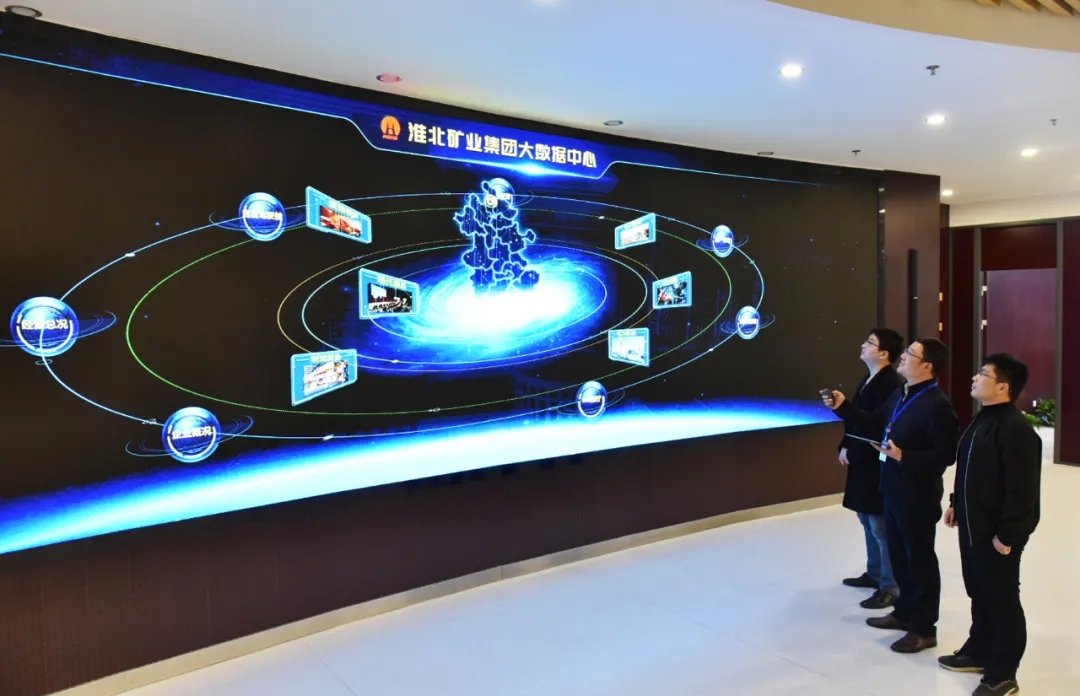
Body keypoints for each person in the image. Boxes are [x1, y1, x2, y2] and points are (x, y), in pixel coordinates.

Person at [823, 338, 959, 653]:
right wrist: (844, 407)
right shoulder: (901, 394)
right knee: (899, 556)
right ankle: (904, 612)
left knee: (919, 562)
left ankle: (924, 628)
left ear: (927, 366)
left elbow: (946, 455)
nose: (903, 357)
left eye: (911, 354)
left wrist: (904, 456)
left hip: (917, 495)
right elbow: (874, 424)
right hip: (892, 489)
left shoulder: (937, 405)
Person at [939, 354, 1041, 696]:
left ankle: (1003, 673)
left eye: (983, 374)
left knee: (1002, 600)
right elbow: (968, 469)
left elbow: (1022, 491)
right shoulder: (982, 419)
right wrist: (956, 504)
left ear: (1003, 387)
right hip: (973, 526)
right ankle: (979, 650)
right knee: (979, 591)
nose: (974, 377)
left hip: (998, 534)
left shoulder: (1016, 430)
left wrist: (1008, 534)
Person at [838, 329, 905, 611]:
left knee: (879, 523)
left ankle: (890, 586)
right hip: (862, 458)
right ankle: (875, 572)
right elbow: (856, 422)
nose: (863, 345)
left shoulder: (891, 383)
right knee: (866, 518)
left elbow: (875, 424)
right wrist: (845, 444)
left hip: (875, 459)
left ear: (884, 353)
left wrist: (844, 408)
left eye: (870, 343)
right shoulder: (869, 378)